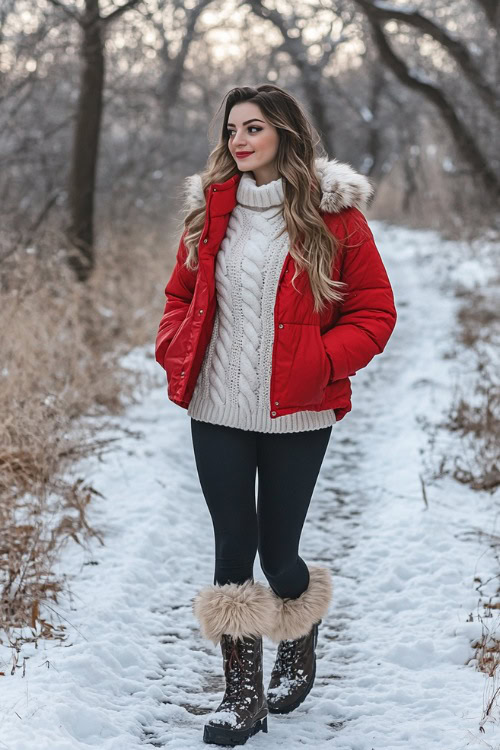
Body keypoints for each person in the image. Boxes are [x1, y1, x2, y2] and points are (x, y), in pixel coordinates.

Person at [155, 84, 397, 746]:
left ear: (284, 132)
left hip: (298, 412)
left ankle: (300, 619)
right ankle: (242, 697)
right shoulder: (211, 210)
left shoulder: (334, 216)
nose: (238, 139)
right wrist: (174, 344)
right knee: (233, 538)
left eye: (252, 126)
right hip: (217, 407)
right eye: (231, 127)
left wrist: (321, 361)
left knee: (277, 549)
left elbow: (375, 312)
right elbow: (180, 295)